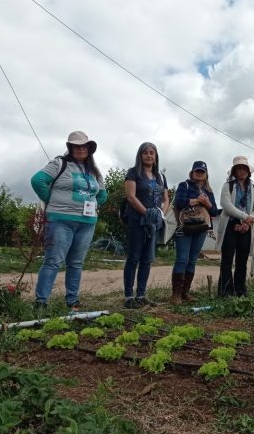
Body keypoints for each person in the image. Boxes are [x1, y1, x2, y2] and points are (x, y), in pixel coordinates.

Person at [32, 131, 108, 312]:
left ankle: (72, 301)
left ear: (89, 149)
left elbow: (103, 194)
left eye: (84, 146)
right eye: (76, 146)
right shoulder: (60, 164)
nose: (81, 149)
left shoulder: (94, 171)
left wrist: (94, 201)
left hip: (87, 223)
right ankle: (41, 301)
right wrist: (50, 199)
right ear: (70, 148)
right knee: (53, 261)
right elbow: (37, 180)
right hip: (60, 220)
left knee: (76, 263)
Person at [123, 142, 169, 307]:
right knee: (133, 258)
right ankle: (129, 297)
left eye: (152, 153)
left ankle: (141, 295)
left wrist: (161, 212)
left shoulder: (160, 177)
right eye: (145, 153)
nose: (149, 155)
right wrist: (146, 213)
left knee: (147, 259)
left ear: (156, 156)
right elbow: (131, 197)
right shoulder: (133, 173)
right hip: (137, 220)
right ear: (140, 156)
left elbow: (166, 198)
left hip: (154, 223)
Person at [171, 160, 219, 303]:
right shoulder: (183, 185)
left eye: (202, 171)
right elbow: (178, 203)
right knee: (182, 259)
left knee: (192, 260)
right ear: (192, 173)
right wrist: (197, 200)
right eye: (197, 171)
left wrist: (207, 203)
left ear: (206, 175)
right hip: (184, 227)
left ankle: (185, 292)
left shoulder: (209, 191)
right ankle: (176, 294)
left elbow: (215, 211)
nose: (199, 173)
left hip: (201, 228)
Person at [217, 156, 254, 297]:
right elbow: (226, 205)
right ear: (234, 171)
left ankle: (240, 290)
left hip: (247, 227)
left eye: (244, 168)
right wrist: (244, 217)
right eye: (239, 168)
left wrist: (249, 220)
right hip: (230, 225)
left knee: (242, 261)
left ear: (248, 171)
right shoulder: (228, 185)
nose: (242, 171)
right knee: (227, 260)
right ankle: (226, 291)